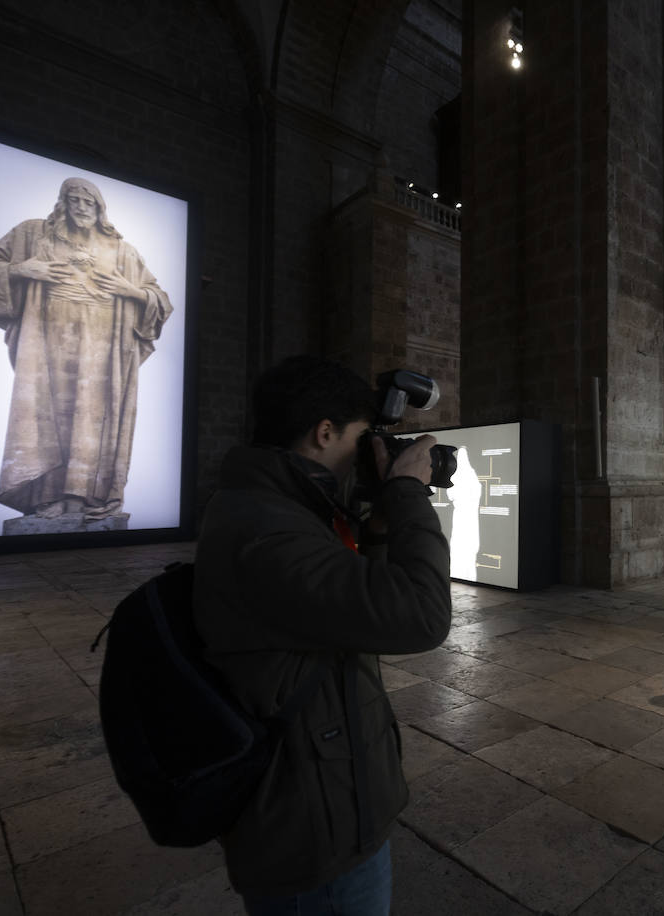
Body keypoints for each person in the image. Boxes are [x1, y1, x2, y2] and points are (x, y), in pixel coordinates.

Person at [193, 356, 451, 915]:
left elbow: (353, 606)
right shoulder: (266, 529)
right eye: (360, 440)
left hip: (322, 795)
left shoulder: (275, 509)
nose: (363, 457)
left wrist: (379, 529)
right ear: (324, 432)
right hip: (315, 829)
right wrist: (407, 490)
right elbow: (422, 615)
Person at [0, 177, 172, 523]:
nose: (80, 207)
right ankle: (47, 495)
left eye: (87, 202)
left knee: (91, 423)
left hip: (103, 350)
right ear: (62, 203)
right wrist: (21, 269)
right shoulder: (34, 234)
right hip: (48, 344)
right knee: (45, 417)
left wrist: (132, 291)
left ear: (99, 208)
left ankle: (80, 498)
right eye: (73, 200)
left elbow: (160, 301)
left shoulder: (122, 251)